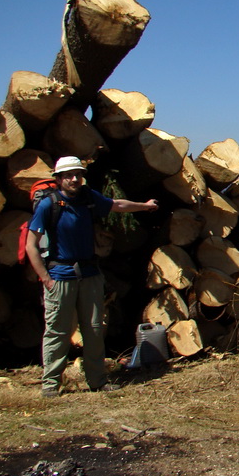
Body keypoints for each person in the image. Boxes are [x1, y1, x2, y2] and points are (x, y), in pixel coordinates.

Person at [25, 156, 159, 398]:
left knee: (95, 329)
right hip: (60, 275)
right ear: (58, 179)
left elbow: (117, 205)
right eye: (68, 175)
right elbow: (31, 245)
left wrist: (144, 206)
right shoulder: (49, 205)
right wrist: (46, 278)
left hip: (89, 274)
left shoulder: (88, 198)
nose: (74, 179)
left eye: (78, 174)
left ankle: (97, 380)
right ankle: (51, 384)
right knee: (58, 331)